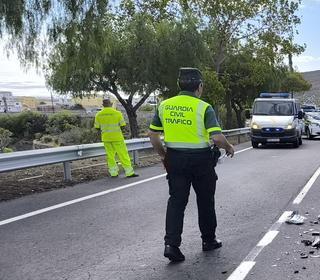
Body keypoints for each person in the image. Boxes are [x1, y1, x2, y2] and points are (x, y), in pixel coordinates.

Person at [148, 68, 235, 263]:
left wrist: (164, 156)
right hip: (201, 161)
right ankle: (208, 240)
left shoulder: (164, 105)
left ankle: (171, 245)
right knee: (205, 201)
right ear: (200, 86)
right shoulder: (203, 107)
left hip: (175, 160)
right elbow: (217, 137)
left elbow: (153, 135)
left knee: (176, 201)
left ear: (180, 85)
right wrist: (228, 147)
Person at [94, 99, 138, 178]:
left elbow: (97, 128)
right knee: (123, 154)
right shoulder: (117, 113)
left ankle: (113, 173)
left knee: (110, 156)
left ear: (103, 105)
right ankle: (129, 172)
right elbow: (123, 125)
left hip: (106, 138)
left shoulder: (98, 115)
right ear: (111, 104)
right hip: (117, 138)